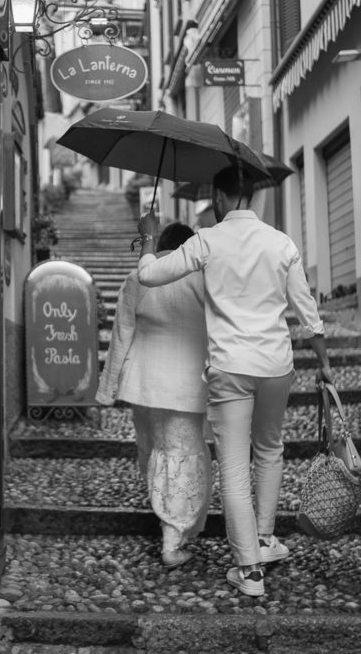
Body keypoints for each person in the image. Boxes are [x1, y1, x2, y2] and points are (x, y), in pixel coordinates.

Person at [135, 165, 334, 598]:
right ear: (253, 198)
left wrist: (150, 237)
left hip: (230, 368)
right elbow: (307, 310)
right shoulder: (282, 243)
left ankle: (251, 571)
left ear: (219, 197)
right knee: (270, 450)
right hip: (276, 365)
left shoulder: (207, 240)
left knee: (235, 469)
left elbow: (149, 275)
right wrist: (323, 361)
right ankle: (264, 540)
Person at [96, 222, 211, 568]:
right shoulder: (203, 277)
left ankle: (168, 519)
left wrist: (108, 389)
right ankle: (173, 538)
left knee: (155, 451)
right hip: (188, 383)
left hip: (144, 384)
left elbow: (120, 336)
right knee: (182, 455)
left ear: (160, 245)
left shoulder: (138, 278)